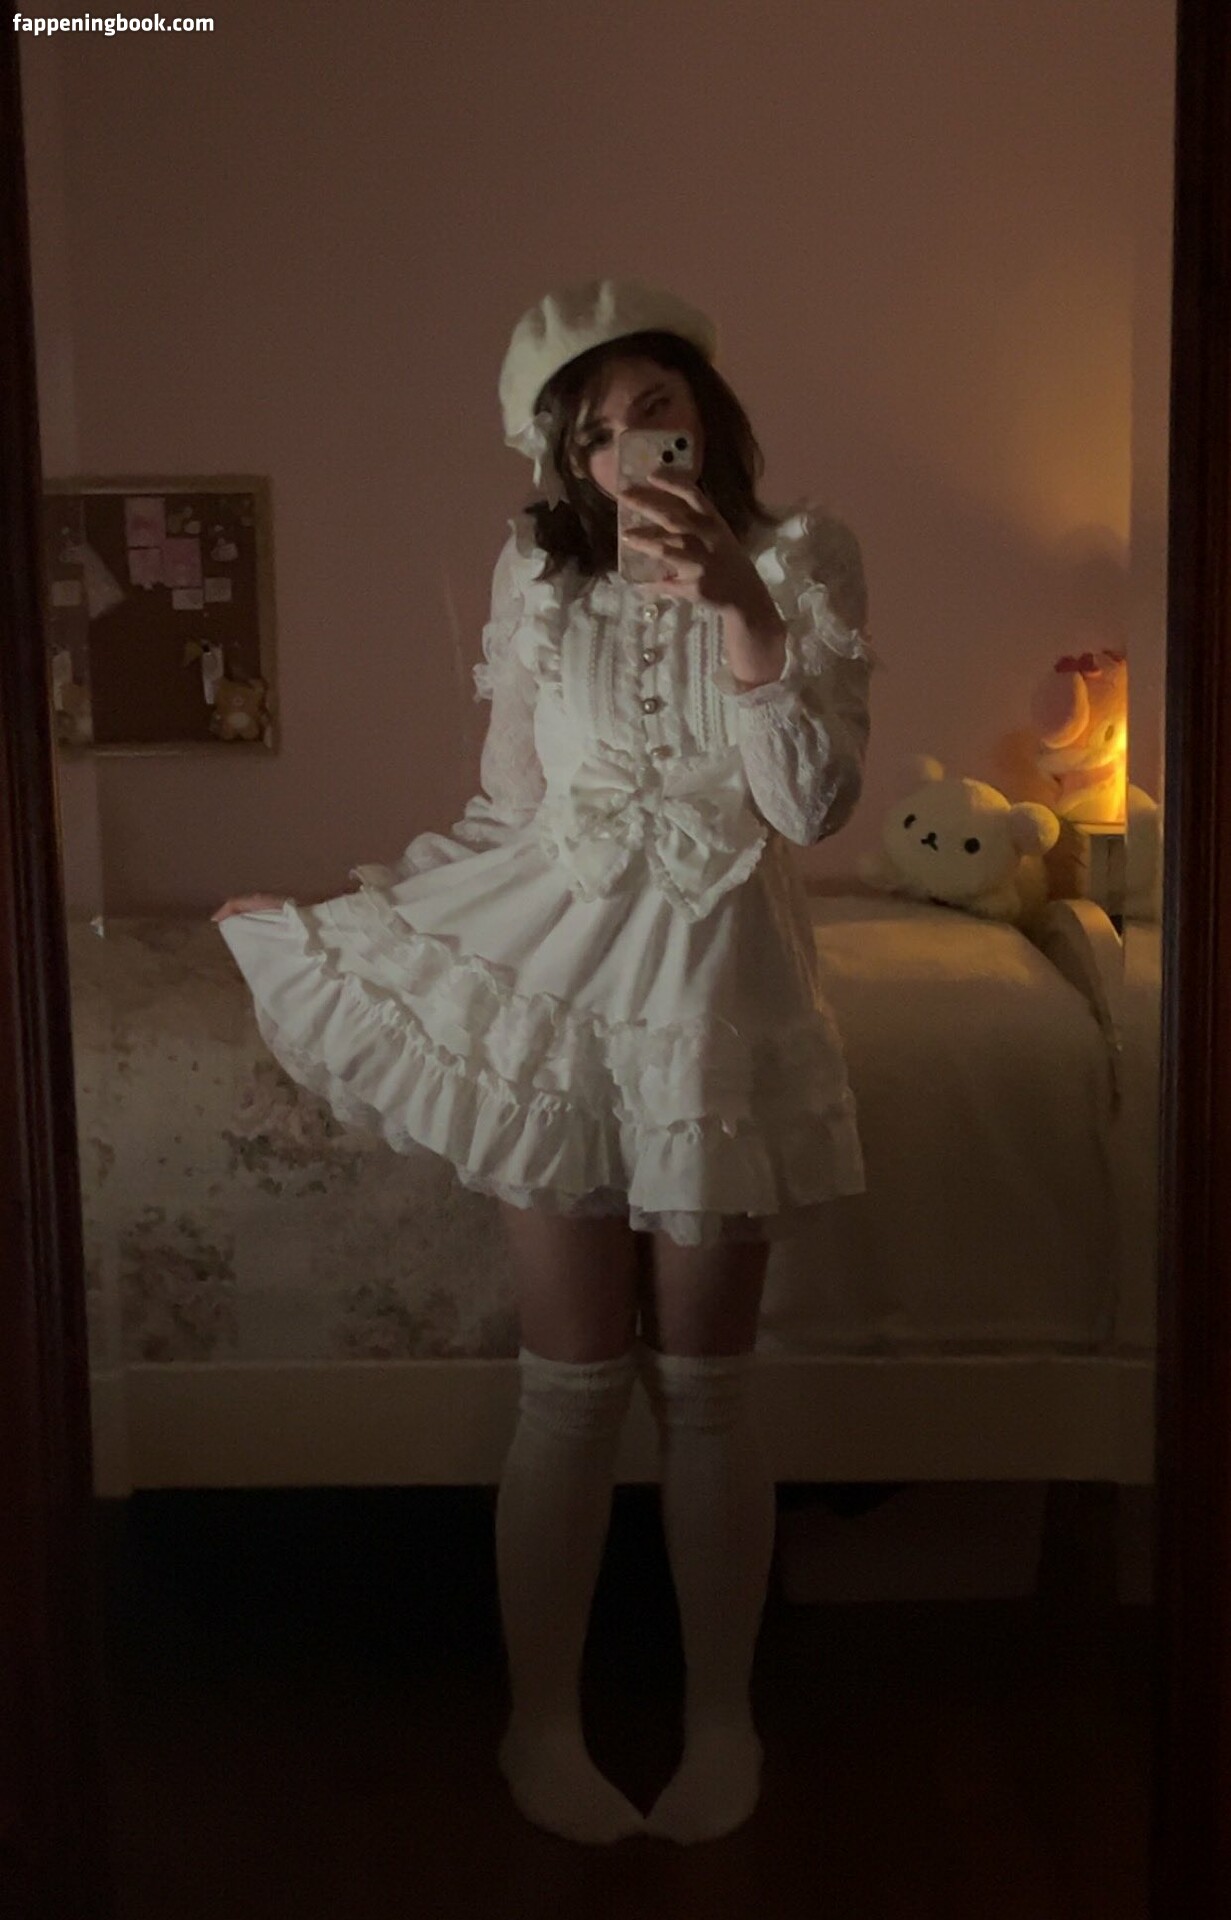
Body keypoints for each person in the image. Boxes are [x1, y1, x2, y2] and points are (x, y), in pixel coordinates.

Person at [212, 278, 875, 1847]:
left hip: (717, 1003)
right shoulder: (540, 578)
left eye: (655, 409)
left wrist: (745, 611)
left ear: (704, 413)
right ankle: (541, 1727)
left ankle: (721, 1721)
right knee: (568, 1385)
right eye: (592, 434)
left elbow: (810, 806)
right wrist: (366, 918)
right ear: (561, 463)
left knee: (707, 1389)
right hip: (566, 993)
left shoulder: (804, 555)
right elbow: (512, 808)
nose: (631, 447)